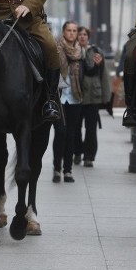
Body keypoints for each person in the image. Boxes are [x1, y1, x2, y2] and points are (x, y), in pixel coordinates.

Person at [74, 26, 112, 167]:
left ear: (88, 37)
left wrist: (106, 96)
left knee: (91, 128)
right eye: (80, 34)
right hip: (77, 96)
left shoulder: (96, 52)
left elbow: (104, 75)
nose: (82, 37)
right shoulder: (73, 51)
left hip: (93, 96)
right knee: (76, 128)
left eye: (85, 34)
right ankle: (77, 152)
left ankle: (89, 157)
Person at [52, 21, 83, 183]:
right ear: (63, 32)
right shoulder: (56, 49)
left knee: (71, 135)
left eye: (74, 31)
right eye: (69, 30)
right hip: (59, 96)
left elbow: (89, 72)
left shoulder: (81, 51)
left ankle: (68, 170)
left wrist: (96, 64)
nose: (72, 33)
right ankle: (57, 168)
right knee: (60, 133)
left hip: (75, 97)